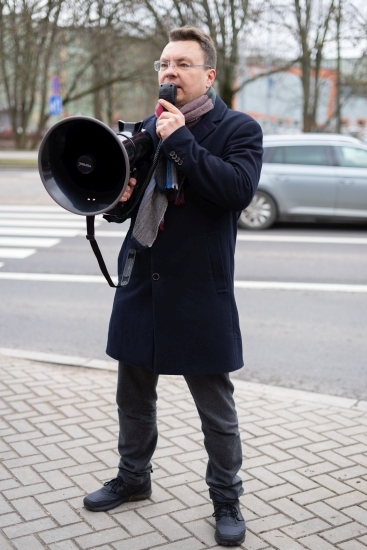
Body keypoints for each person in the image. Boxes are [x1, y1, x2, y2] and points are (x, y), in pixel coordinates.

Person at [83, 26, 263, 546]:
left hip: (199, 293)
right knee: (133, 397)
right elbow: (123, 209)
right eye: (164, 64)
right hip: (142, 283)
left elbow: (235, 191)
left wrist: (179, 139)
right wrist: (115, 198)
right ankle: (133, 477)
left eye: (182, 64)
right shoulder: (143, 129)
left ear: (208, 75)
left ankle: (226, 496)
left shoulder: (238, 130)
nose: (169, 73)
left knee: (216, 410)